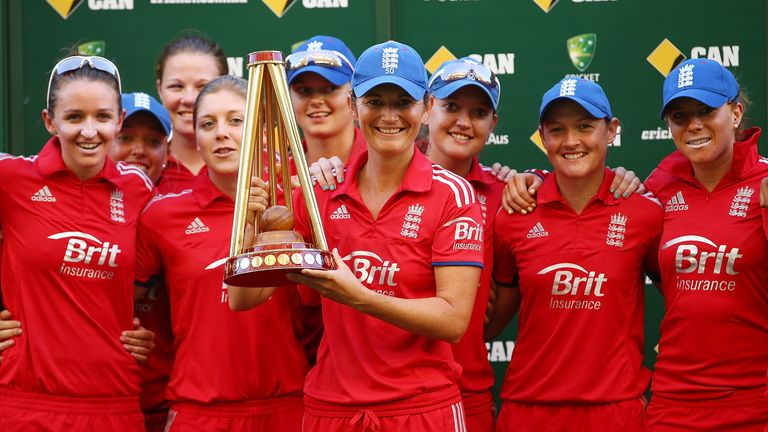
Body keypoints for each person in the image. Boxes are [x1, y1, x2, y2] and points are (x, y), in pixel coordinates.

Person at [229, 40, 484, 431]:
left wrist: (359, 297)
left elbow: (452, 319)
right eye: (375, 100)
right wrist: (250, 228)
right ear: (352, 106)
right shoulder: (319, 193)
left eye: (403, 101)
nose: (389, 115)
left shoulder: (452, 195)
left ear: (427, 108)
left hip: (420, 408)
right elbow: (243, 299)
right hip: (332, 407)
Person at [487, 77, 663, 432]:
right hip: (528, 411)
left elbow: (686, 301)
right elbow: (488, 322)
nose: (571, 141)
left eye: (584, 126)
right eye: (557, 129)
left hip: (615, 412)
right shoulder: (513, 214)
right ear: (542, 137)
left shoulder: (646, 214)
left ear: (611, 130)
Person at [135, 75, 308, 431]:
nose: (221, 133)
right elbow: (114, 301)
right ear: (195, 138)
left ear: (262, 132)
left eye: (236, 120)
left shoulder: (298, 207)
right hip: (199, 412)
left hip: (289, 408)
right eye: (208, 124)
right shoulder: (162, 216)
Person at [0, 55, 155, 431]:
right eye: (73, 117)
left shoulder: (139, 190)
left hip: (114, 402)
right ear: (49, 121)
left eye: (102, 117)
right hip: (26, 403)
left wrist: (152, 332)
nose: (89, 131)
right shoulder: (11, 179)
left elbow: (177, 271)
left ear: (119, 121)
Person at [641, 58, 768, 431]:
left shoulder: (765, 180)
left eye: (706, 110)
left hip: (755, 399)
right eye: (680, 116)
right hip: (673, 400)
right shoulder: (657, 188)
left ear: (735, 112)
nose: (693, 124)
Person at [109, 91, 175, 432]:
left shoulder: (181, 211)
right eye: (125, 138)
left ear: (168, 152)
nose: (138, 150)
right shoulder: (67, 206)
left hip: (168, 399)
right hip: (98, 395)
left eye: (152, 140)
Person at [155, 34, 227, 193]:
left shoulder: (258, 165)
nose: (189, 99)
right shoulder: (145, 166)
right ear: (160, 89)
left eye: (203, 87)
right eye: (176, 86)